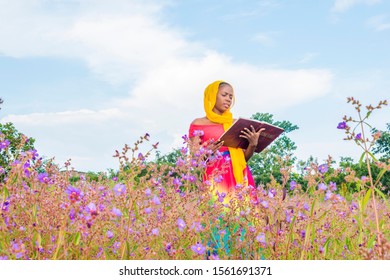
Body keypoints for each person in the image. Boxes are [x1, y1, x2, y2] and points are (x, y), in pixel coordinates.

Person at [188, 80, 263, 201]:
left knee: (245, 214)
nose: (228, 99)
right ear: (212, 96)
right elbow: (194, 160)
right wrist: (207, 152)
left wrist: (252, 145)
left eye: (231, 96)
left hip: (240, 175)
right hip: (215, 176)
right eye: (224, 95)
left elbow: (243, 159)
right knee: (219, 214)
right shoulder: (198, 124)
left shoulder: (235, 124)